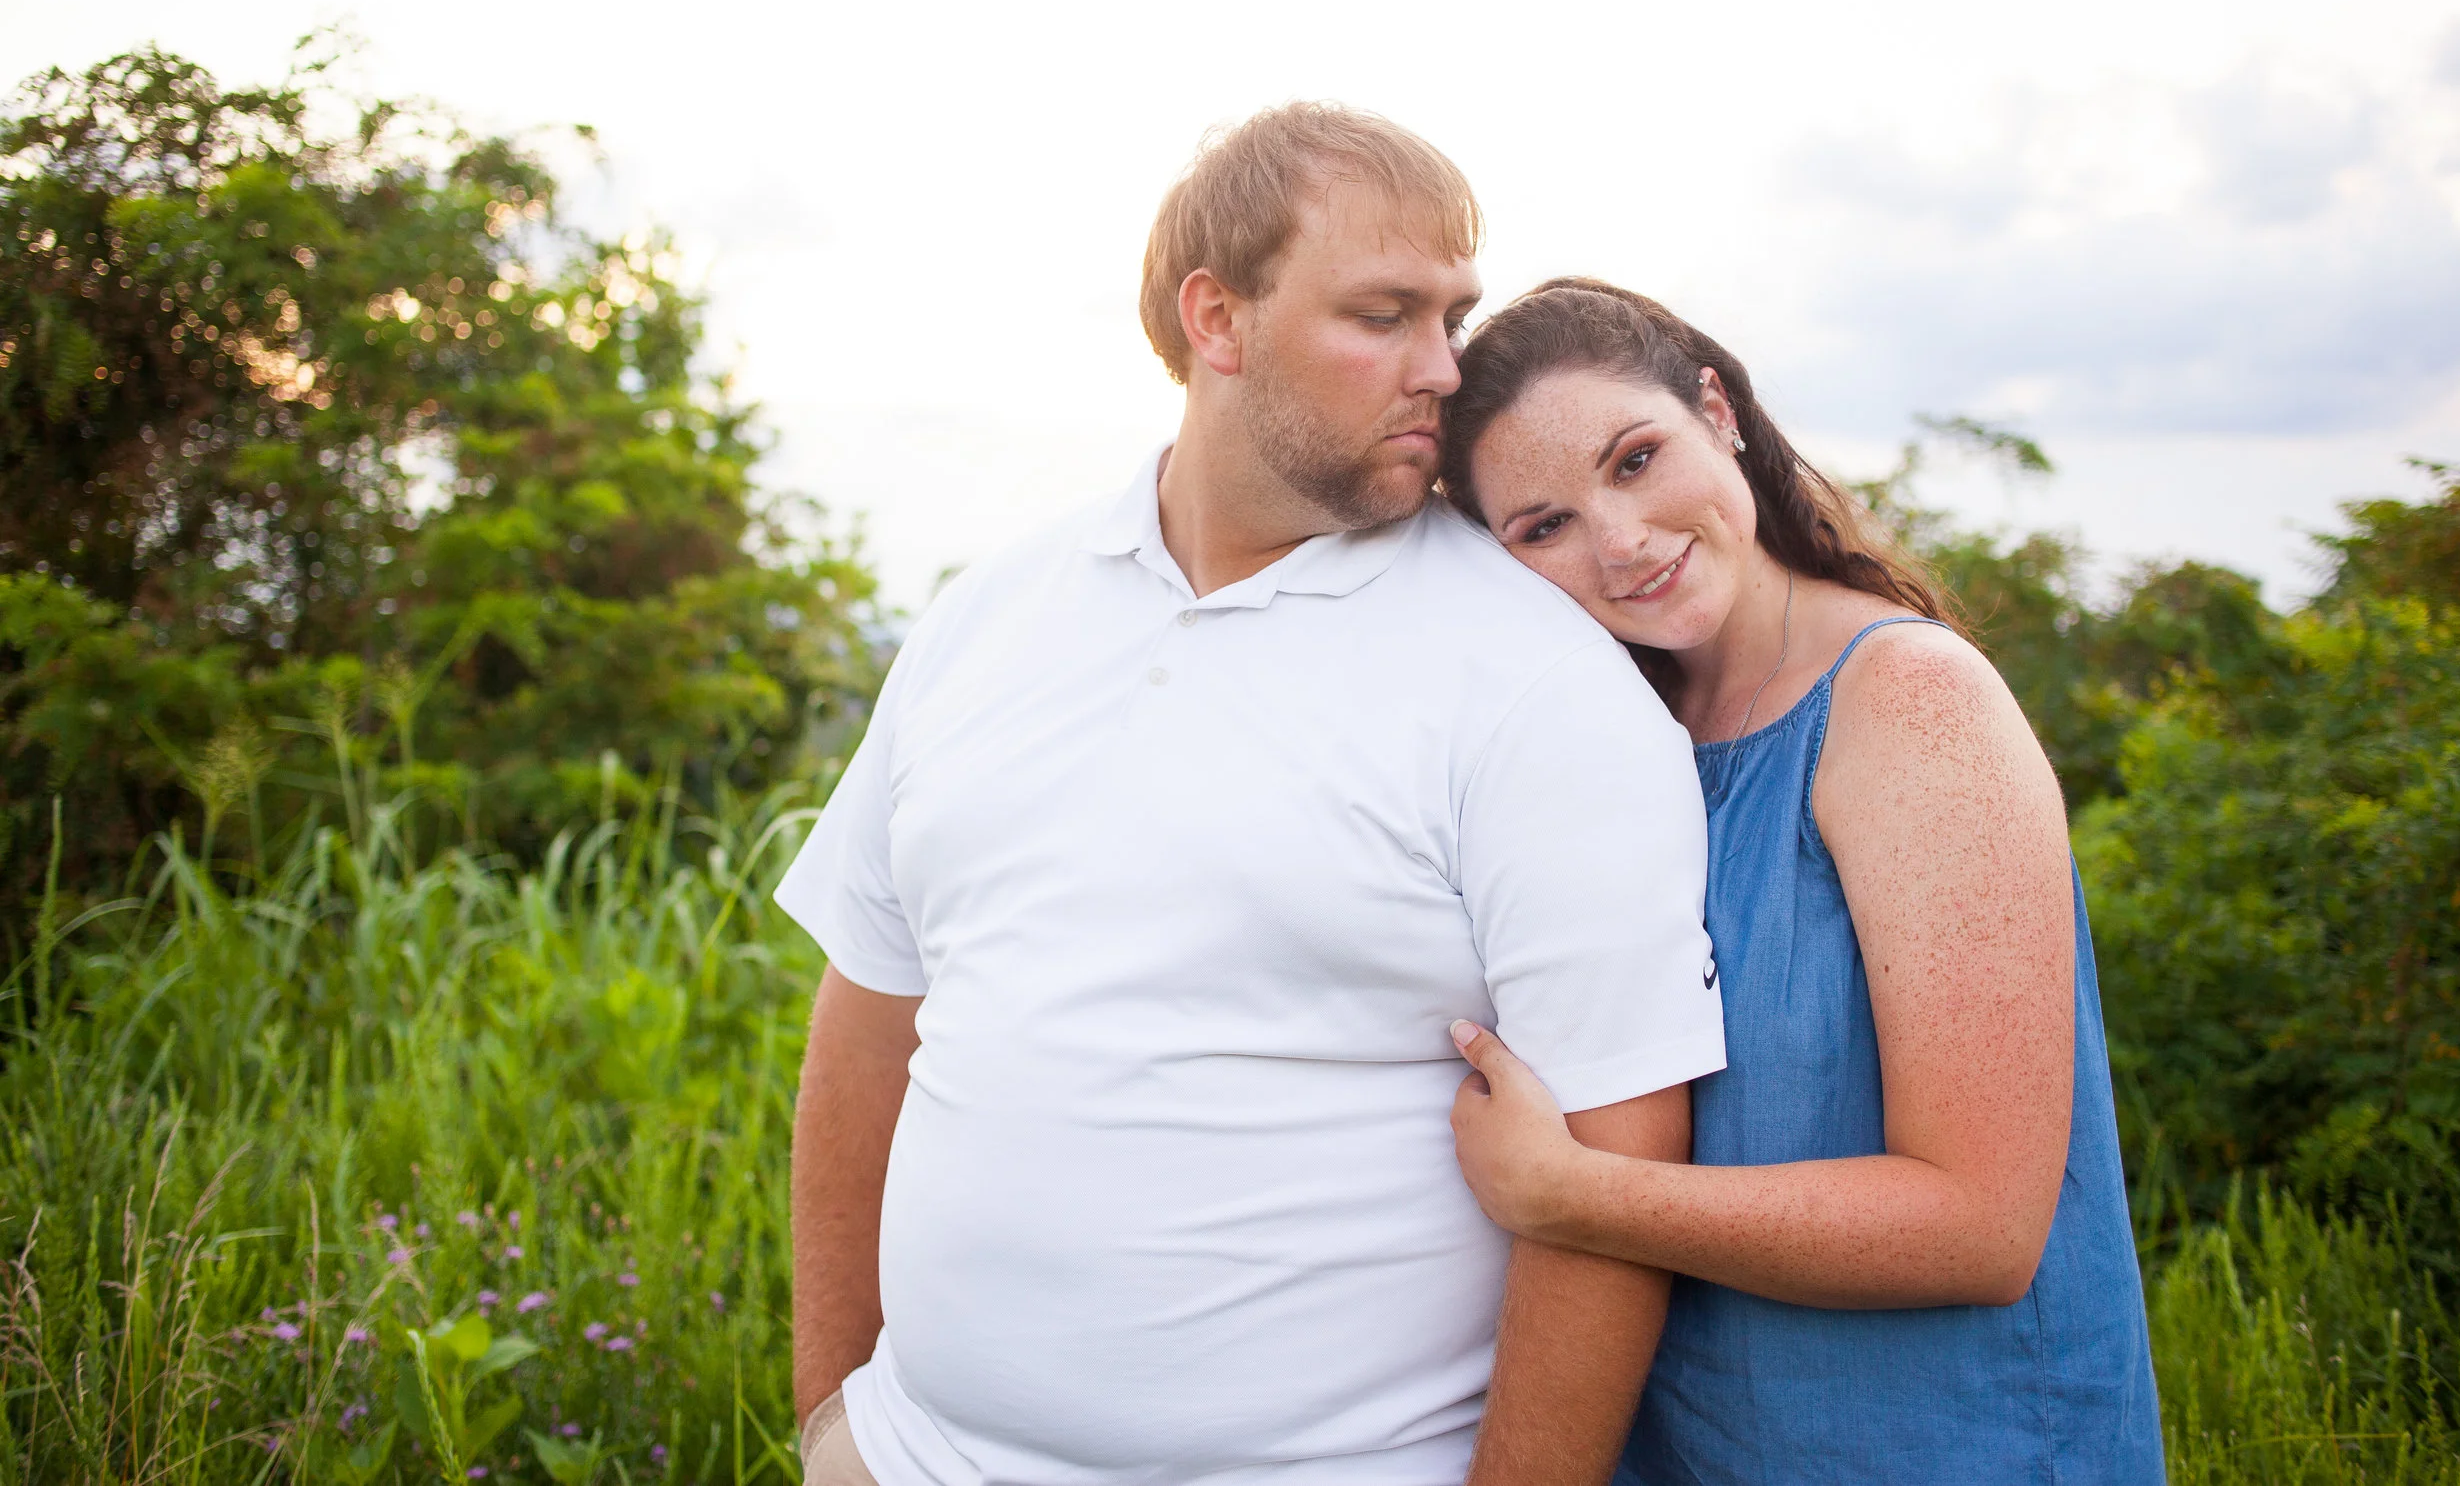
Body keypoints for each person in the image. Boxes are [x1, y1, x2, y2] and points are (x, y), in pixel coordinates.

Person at [776, 115, 1726, 1486]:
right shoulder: (987, 615)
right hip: (915, 1454)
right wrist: (833, 1417)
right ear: (1216, 317)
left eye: (1451, 314)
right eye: (1384, 315)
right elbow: (869, 1020)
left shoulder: (1539, 678)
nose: (1444, 369)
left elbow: (1622, 1151)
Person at [1435, 279, 2164, 1485]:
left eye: (1635, 458)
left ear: (1716, 409)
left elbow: (1979, 1226)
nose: (1620, 540)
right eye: (1542, 525)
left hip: (1943, 1449)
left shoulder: (1906, 702)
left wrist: (1566, 1192)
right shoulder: (1621, 740)